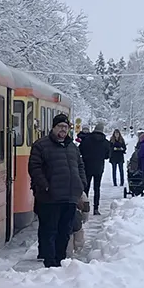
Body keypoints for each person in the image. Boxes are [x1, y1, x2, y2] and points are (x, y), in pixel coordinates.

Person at [27, 112, 85, 267]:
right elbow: (34, 168)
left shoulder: (72, 147)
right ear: (53, 127)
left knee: (65, 232)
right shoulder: (41, 145)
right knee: (49, 231)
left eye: (66, 127)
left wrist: (81, 184)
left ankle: (60, 261)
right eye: (60, 126)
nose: (63, 130)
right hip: (50, 198)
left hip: (70, 197)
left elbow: (80, 166)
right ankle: (50, 264)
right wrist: (45, 186)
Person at [77, 121, 110, 215]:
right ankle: (96, 209)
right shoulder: (105, 142)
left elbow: (80, 151)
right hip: (99, 167)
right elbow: (108, 155)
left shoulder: (86, 140)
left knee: (86, 187)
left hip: (87, 166)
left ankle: (85, 207)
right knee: (97, 188)